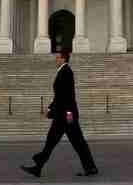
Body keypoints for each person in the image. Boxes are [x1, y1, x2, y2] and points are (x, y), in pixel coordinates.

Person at [21, 49, 98, 178]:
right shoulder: (63, 71)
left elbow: (66, 96)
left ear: (63, 59)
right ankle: (38, 166)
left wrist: (68, 114)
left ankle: (90, 167)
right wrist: (51, 109)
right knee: (52, 140)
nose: (55, 60)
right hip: (62, 115)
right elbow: (59, 96)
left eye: (57, 58)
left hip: (66, 116)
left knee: (77, 142)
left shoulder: (66, 72)